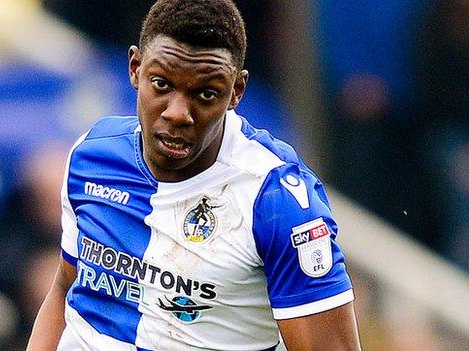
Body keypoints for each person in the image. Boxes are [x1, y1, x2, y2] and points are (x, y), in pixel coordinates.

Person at [27, 1, 361, 350]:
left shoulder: (277, 201)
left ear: (236, 92)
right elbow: (66, 289)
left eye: (205, 94)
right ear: (135, 68)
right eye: (162, 84)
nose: (177, 113)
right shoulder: (92, 155)